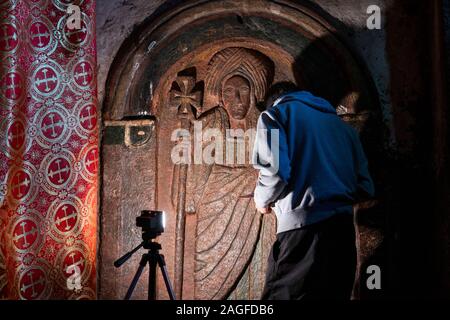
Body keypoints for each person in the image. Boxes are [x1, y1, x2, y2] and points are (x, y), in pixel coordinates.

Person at [252, 82, 375, 300]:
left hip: (301, 232)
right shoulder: (345, 130)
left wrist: (261, 200)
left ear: (273, 100)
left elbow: (275, 172)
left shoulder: (273, 115)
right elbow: (365, 187)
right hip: (342, 234)